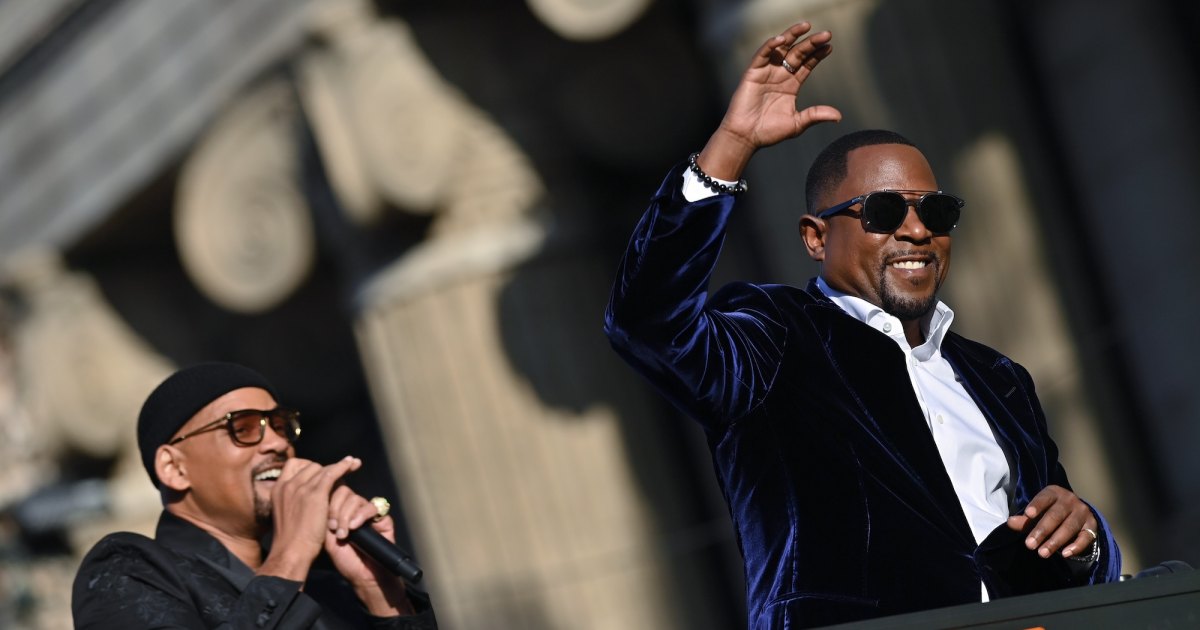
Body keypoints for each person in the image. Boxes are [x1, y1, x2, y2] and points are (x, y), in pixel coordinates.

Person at [603, 21, 1122, 629]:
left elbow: (1050, 545)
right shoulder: (774, 340)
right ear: (815, 237)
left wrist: (1086, 540)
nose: (917, 229)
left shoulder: (1000, 379)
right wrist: (730, 148)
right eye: (883, 210)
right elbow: (646, 321)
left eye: (936, 211)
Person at [72, 362, 436, 629]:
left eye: (280, 426)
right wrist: (292, 553)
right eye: (243, 427)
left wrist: (380, 594)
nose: (277, 443)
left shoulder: (329, 589)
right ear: (174, 468)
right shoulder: (129, 571)